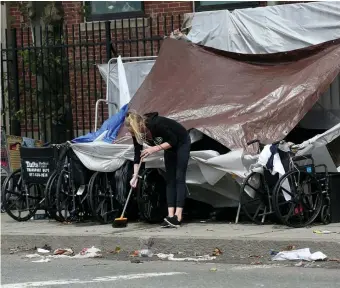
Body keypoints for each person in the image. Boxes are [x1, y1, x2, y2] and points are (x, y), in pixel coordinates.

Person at [125, 110, 191, 228]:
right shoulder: (137, 133)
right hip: (168, 148)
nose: (136, 134)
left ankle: (178, 215)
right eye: (133, 133)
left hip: (181, 142)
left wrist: (153, 149)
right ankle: (171, 216)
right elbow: (137, 154)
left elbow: (173, 140)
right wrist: (135, 175)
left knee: (179, 177)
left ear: (141, 125)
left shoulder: (156, 124)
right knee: (170, 179)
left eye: (136, 131)